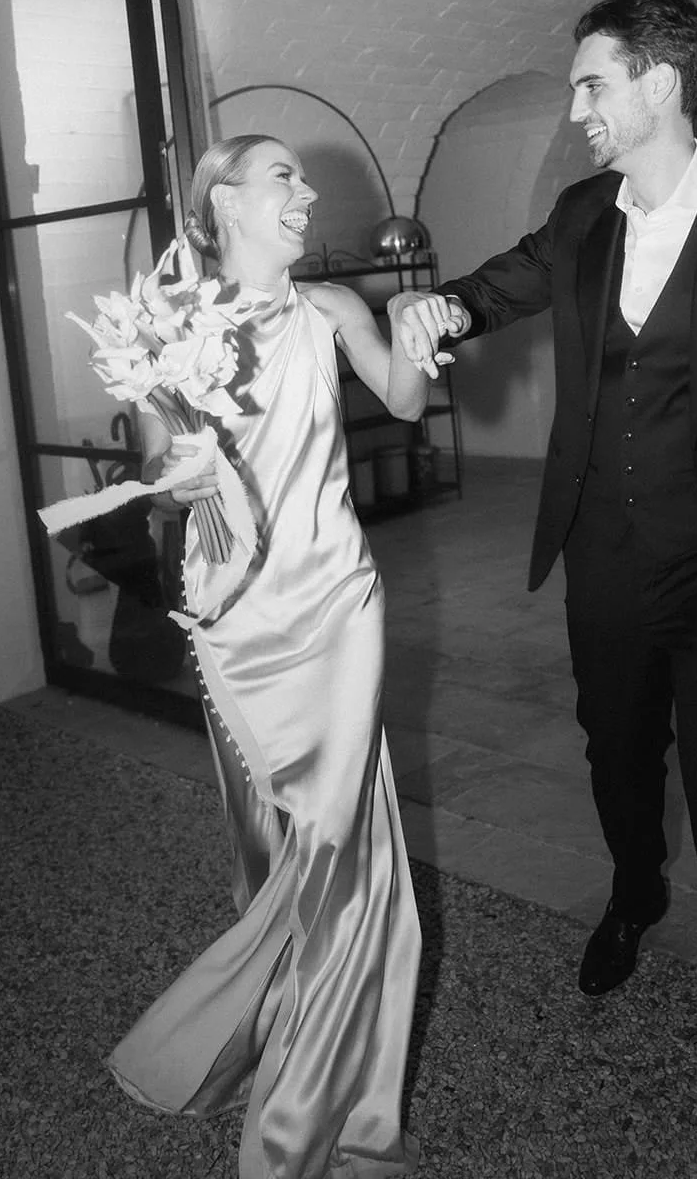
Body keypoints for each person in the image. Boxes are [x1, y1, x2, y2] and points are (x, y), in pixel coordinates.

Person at [391, 0, 697, 1179]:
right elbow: (502, 283)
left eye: (592, 83)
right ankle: (635, 884)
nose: (578, 106)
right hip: (601, 558)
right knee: (613, 751)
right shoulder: (583, 213)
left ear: (659, 83)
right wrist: (440, 305)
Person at [108, 134, 460, 1179]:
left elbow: (401, 398)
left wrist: (420, 323)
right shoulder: (171, 325)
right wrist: (175, 430)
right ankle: (277, 1020)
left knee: (346, 857)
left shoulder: (332, 307)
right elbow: (158, 476)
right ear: (222, 202)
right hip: (233, 618)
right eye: (281, 177)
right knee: (268, 848)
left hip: (336, 605)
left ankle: (320, 1124)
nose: (305, 193)